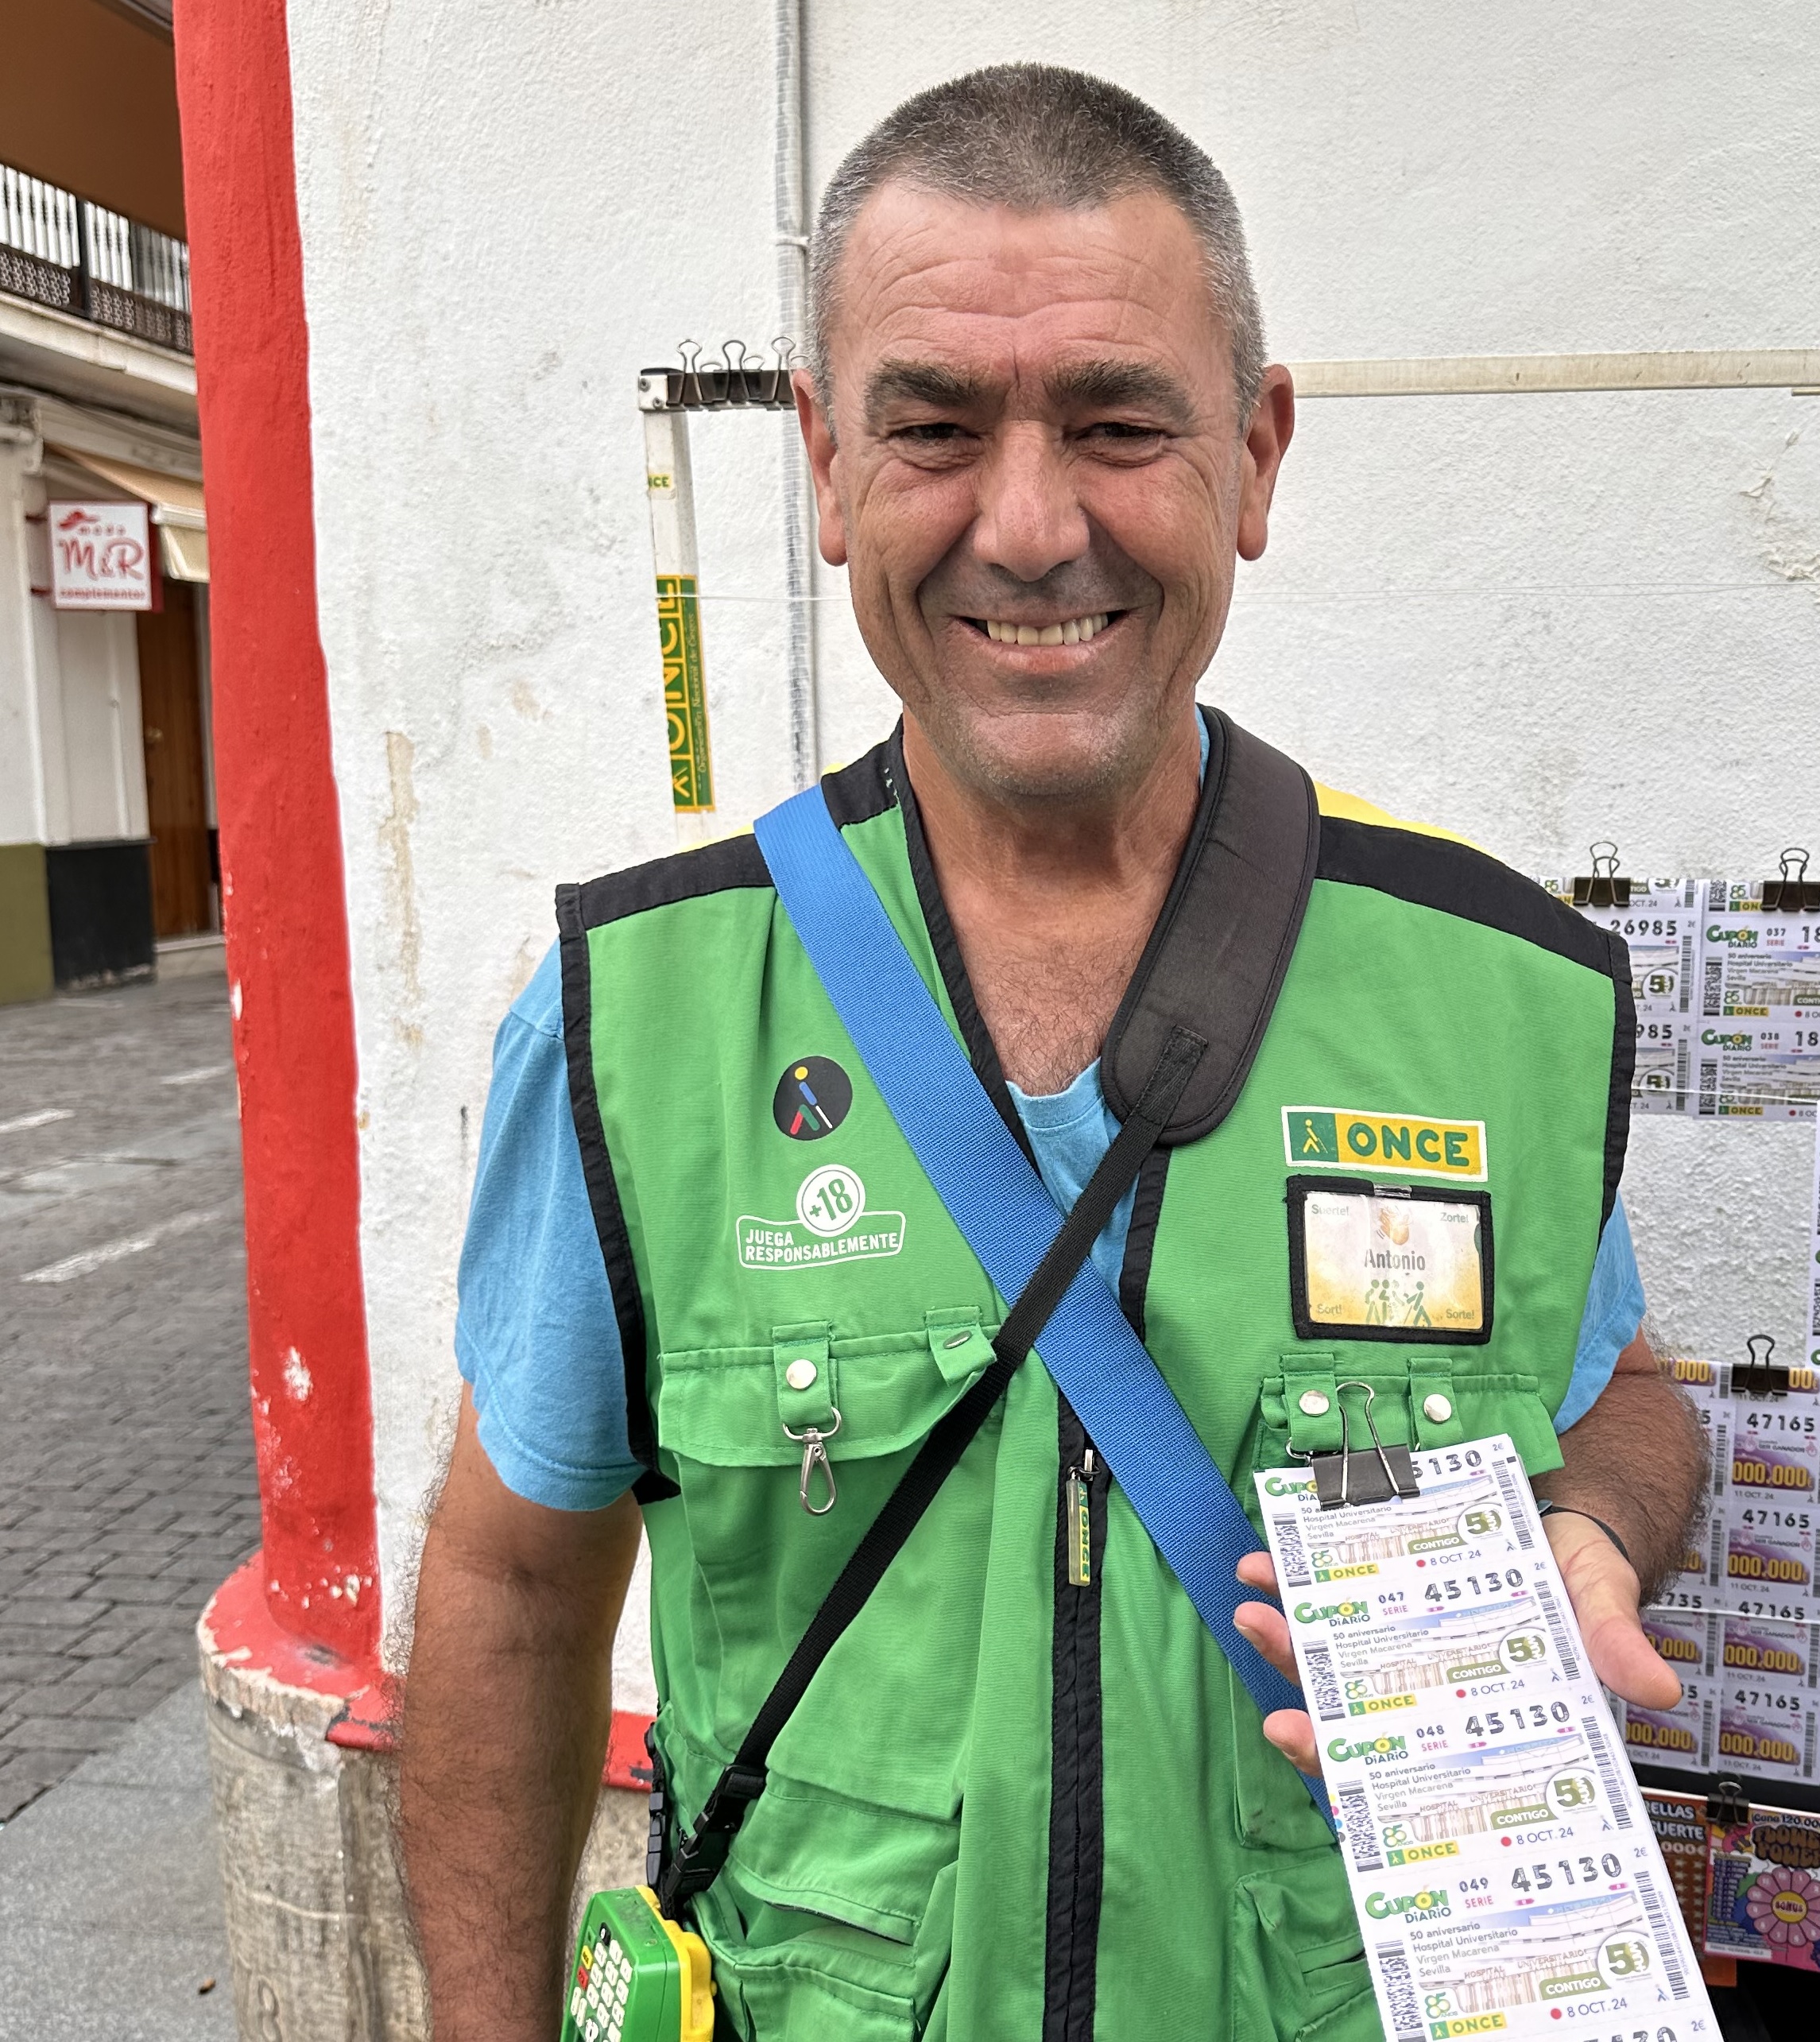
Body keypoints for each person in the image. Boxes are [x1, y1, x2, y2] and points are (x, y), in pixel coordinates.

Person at [399, 62, 1708, 2042]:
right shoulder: (633, 1013)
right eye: (934, 429)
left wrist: (1588, 1531)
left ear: (1253, 460)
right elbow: (509, 1589)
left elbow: (1621, 1398)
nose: (1029, 525)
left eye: (1117, 424)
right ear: (829, 465)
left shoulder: (1495, 995)